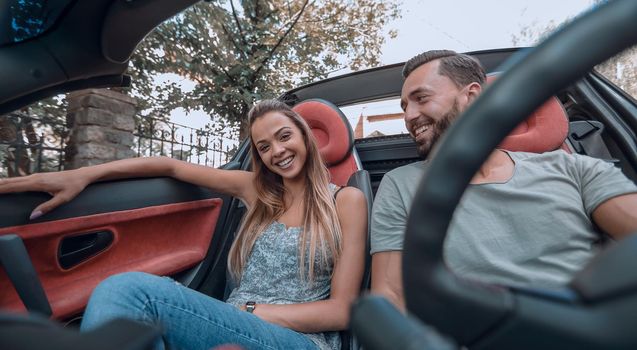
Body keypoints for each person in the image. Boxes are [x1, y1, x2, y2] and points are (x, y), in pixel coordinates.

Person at [0, 99, 367, 350]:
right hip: (237, 320)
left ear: (304, 135)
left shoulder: (346, 201)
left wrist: (253, 312)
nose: (277, 151)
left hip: (297, 340)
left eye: (284, 136)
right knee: (137, 318)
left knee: (131, 292)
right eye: (264, 146)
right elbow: (170, 166)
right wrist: (84, 175)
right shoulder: (256, 191)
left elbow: (342, 310)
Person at [370, 49, 637, 312]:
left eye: (422, 98)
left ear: (472, 96)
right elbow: (391, 297)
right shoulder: (399, 185)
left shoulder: (573, 169)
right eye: (405, 106)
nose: (408, 116)